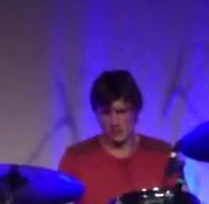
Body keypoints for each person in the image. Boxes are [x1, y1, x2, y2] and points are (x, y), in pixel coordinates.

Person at [58, 70, 181, 204]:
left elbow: (180, 200)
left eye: (121, 111)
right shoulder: (75, 158)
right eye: (106, 113)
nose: (114, 122)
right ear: (96, 115)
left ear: (135, 111)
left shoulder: (163, 153)